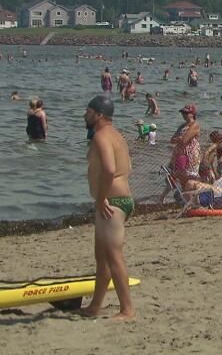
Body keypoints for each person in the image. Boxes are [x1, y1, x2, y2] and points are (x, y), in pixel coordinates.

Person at [79, 95, 134, 320]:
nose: (85, 114)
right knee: (102, 257)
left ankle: (128, 310)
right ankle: (95, 306)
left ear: (99, 115)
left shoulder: (101, 137)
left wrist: (101, 198)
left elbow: (110, 170)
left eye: (88, 111)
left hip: (112, 203)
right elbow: (128, 166)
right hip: (120, 201)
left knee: (113, 256)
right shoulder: (116, 135)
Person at [170, 104, 201, 189]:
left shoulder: (194, 125)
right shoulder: (182, 126)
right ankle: (185, 198)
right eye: (183, 112)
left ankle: (193, 198)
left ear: (192, 114)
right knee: (181, 178)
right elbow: (172, 140)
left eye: (186, 113)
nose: (183, 115)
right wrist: (180, 138)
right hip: (180, 155)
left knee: (191, 178)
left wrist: (179, 138)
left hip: (191, 155)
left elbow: (184, 140)